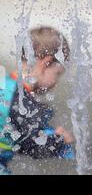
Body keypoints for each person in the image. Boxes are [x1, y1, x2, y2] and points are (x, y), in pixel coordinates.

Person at [0, 27, 74, 175]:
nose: (56, 82)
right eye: (57, 74)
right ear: (46, 63)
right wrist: (59, 141)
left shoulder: (6, 85)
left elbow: (19, 132)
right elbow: (31, 144)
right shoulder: (21, 102)